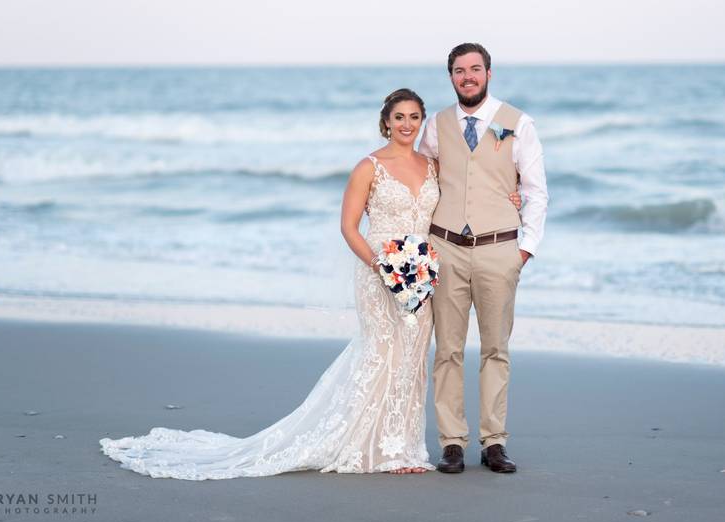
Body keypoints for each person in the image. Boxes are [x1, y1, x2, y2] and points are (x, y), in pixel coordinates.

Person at [99, 88, 521, 478]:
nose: (407, 124)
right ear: (386, 122)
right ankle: (375, 449)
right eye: (399, 117)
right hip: (379, 273)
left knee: (412, 358)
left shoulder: (432, 165)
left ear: (422, 121)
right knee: (382, 351)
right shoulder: (368, 167)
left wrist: (513, 194)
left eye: (414, 117)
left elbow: (472, 186)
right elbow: (349, 227)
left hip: (422, 275)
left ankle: (404, 447)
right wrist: (379, 265)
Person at [418, 43, 548, 474]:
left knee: (496, 348)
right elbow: (423, 186)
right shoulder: (435, 126)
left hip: (499, 249)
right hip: (447, 248)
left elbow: (534, 190)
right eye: (459, 70)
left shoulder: (518, 123)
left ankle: (494, 442)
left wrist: (525, 248)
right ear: (451, 77)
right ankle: (452, 442)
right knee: (447, 350)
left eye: (475, 69)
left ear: (489, 73)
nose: (467, 76)